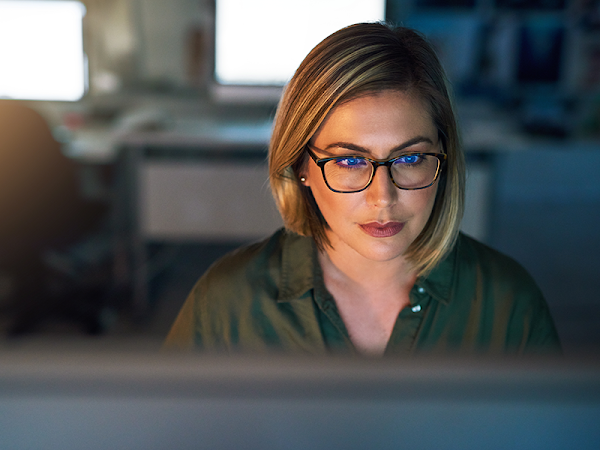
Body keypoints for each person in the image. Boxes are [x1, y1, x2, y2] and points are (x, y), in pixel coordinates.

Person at [165, 22, 560, 355]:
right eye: (350, 162)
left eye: (409, 159)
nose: (383, 197)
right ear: (300, 164)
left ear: (444, 157)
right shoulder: (225, 302)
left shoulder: (508, 303)